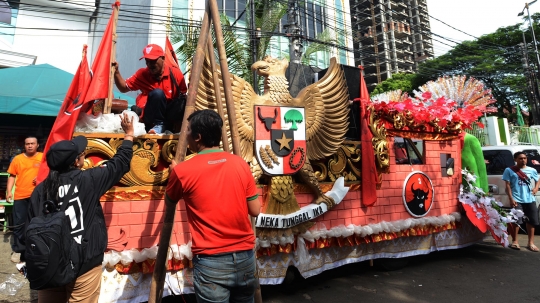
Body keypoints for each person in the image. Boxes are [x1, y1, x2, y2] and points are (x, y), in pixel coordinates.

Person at [26, 113, 134, 303]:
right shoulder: (88, 180)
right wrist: (129, 135)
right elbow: (119, 163)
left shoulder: (39, 191)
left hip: (50, 262)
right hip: (84, 260)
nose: (83, 155)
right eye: (82, 154)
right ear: (76, 161)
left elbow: (27, 228)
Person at [166, 109, 261, 303]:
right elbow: (255, 210)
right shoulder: (241, 164)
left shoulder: (183, 171)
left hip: (212, 262)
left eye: (189, 131)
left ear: (198, 137)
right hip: (245, 259)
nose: (187, 135)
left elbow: (170, 201)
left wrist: (175, 174)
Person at [113, 43, 187, 134]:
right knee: (157, 94)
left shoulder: (176, 74)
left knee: (182, 101)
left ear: (163, 58)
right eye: (147, 61)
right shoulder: (142, 74)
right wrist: (116, 72)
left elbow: (183, 98)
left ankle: (169, 126)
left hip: (171, 117)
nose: (150, 64)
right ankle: (159, 125)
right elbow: (123, 87)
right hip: (152, 118)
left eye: (153, 61)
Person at [6, 136, 42, 264]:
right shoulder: (18, 159)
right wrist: (9, 191)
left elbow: (50, 173)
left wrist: (40, 177)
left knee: (37, 223)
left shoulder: (43, 158)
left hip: (38, 196)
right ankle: (18, 250)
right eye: (27, 144)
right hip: (20, 196)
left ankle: (35, 249)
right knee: (19, 224)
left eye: (32, 143)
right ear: (24, 145)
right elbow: (12, 176)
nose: (30, 146)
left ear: (37, 145)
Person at [503, 151, 540, 252]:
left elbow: (538, 179)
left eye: (524, 158)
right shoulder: (509, 170)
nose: (523, 160)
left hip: (530, 199)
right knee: (516, 221)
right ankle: (515, 241)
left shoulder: (532, 170)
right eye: (520, 158)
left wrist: (536, 188)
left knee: (532, 221)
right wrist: (511, 198)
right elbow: (507, 185)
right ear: (515, 160)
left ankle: (531, 243)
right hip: (516, 199)